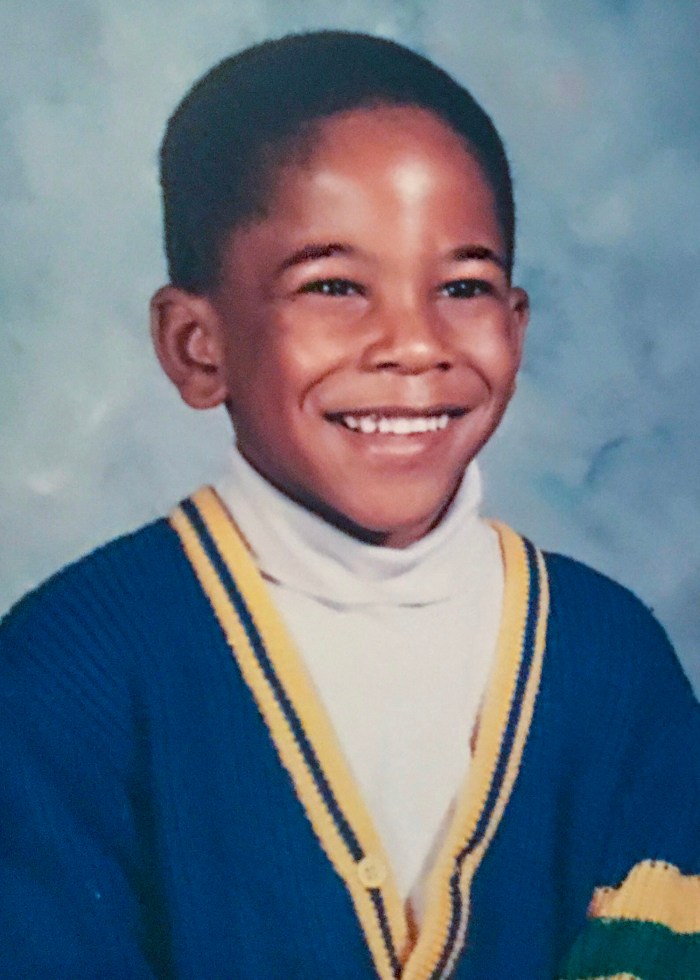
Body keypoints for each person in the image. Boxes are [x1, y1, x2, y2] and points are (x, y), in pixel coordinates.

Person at [1, 30, 699, 980]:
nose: (414, 345)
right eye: (333, 286)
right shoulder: (67, 672)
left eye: (462, 286)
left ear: (518, 326)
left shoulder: (613, 660)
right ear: (197, 346)